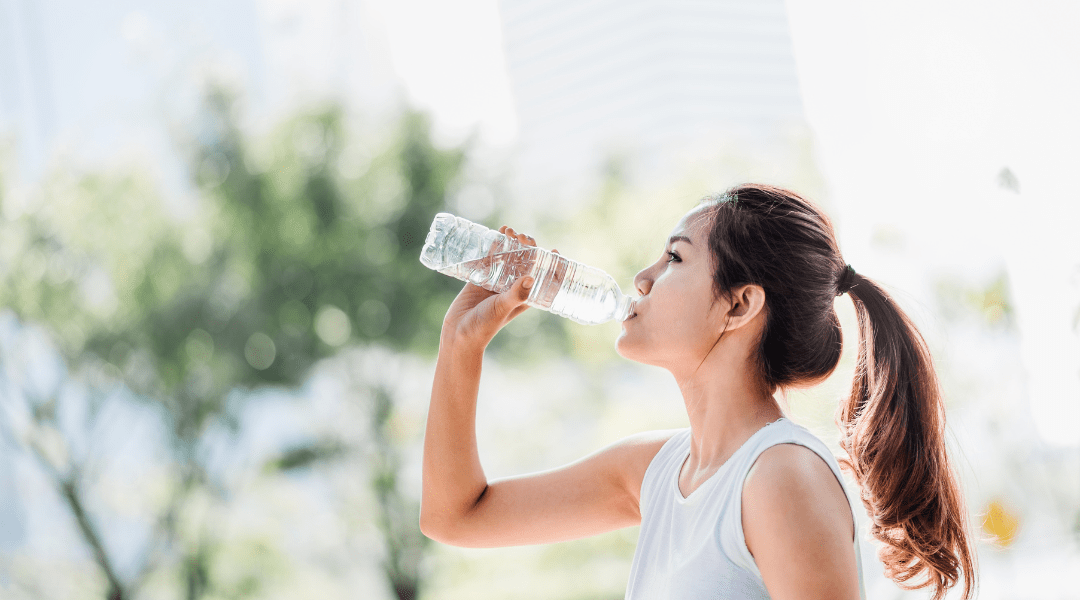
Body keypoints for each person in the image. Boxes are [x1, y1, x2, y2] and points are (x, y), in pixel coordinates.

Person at [421, 184, 977, 599]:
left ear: (739, 305)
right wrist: (461, 344)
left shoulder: (781, 477)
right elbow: (456, 516)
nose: (642, 277)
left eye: (675, 258)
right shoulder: (656, 472)